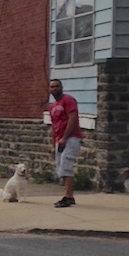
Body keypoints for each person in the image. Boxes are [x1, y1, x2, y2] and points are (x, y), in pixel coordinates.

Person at [47, 78, 81, 208]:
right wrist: (53, 144)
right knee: (60, 167)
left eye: (56, 86)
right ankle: (69, 196)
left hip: (71, 138)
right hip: (59, 139)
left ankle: (67, 196)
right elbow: (53, 126)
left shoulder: (68, 100)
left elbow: (72, 119)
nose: (54, 89)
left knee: (66, 164)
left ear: (61, 87)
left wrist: (65, 138)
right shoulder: (52, 106)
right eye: (51, 87)